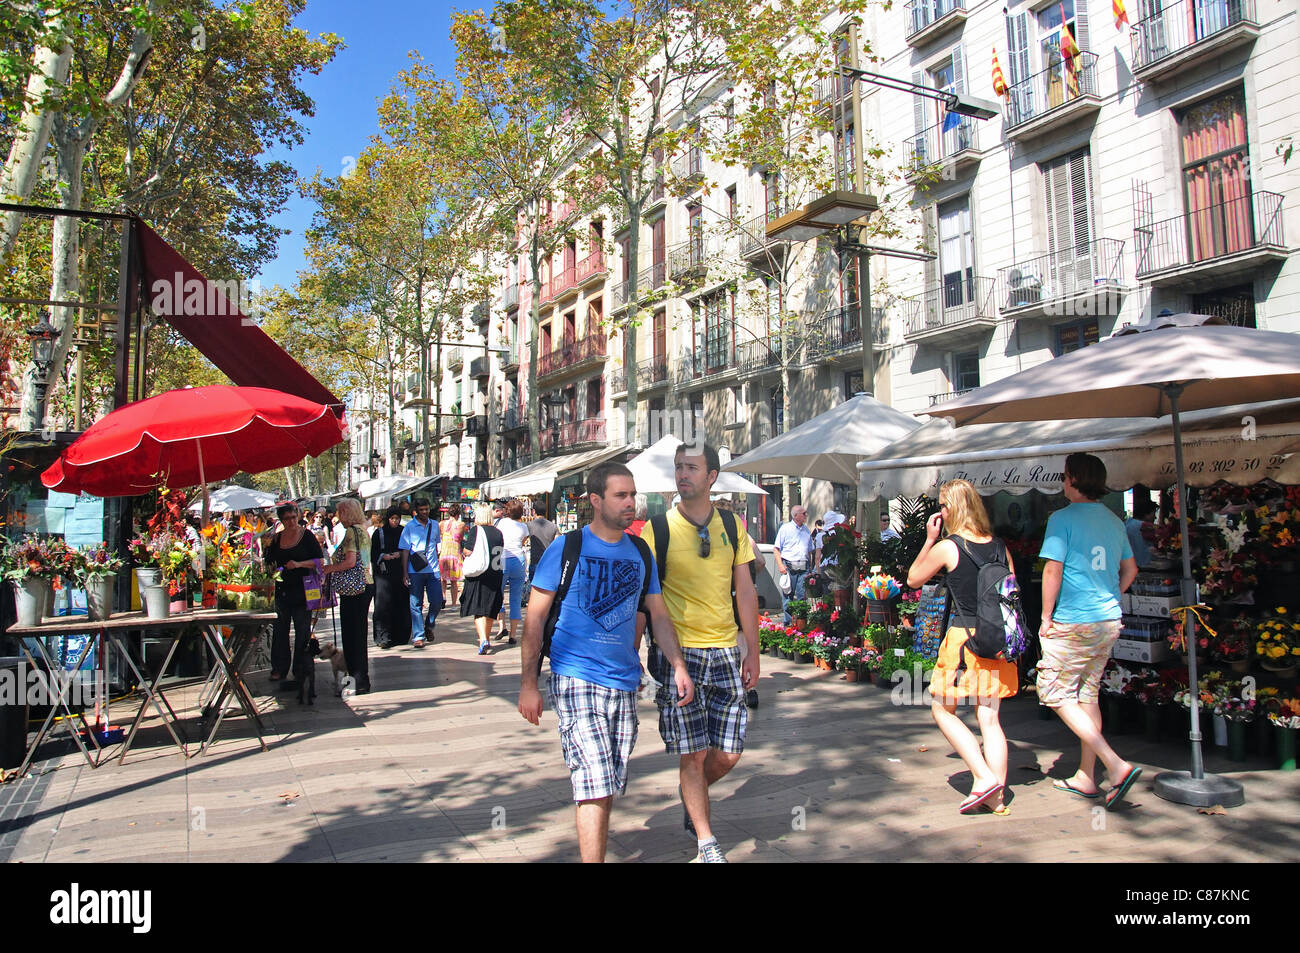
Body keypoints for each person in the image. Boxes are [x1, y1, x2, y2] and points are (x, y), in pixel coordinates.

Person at [518, 462, 695, 863]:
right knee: (595, 780)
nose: (631, 502)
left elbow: (657, 615)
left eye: (633, 494)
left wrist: (678, 665)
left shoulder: (640, 552)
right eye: (621, 495)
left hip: (623, 682)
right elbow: (535, 618)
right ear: (596, 500)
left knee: (607, 780)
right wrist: (529, 683)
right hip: (575, 677)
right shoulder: (567, 548)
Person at [641, 442, 759, 864]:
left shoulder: (732, 524)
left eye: (692, 467)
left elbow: (744, 590)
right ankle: (707, 843)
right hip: (679, 656)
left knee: (728, 752)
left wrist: (754, 651)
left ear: (712, 477)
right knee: (693, 752)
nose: (682, 474)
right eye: (678, 468)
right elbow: (646, 598)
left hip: (727, 649)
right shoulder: (658, 529)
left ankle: (693, 795)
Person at [907, 479, 1018, 816]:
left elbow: (913, 578)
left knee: (942, 710)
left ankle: (983, 777)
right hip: (997, 640)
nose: (940, 511)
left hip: (963, 640)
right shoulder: (999, 546)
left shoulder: (949, 547)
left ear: (952, 508)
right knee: (990, 717)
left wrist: (929, 541)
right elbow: (1011, 592)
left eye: (943, 505)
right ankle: (997, 799)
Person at [1039, 453, 1141, 809]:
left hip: (1073, 621)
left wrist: (1045, 617)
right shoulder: (1115, 520)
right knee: (1087, 694)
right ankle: (1085, 775)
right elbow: (1130, 570)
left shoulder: (1061, 519)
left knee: (1054, 692)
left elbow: (1053, 571)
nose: (1062, 483)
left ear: (1074, 479)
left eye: (1065, 477)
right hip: (1107, 619)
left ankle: (1114, 765)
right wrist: (1112, 595)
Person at [263, 502, 324, 687]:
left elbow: (319, 561)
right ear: (281, 520)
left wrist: (298, 564)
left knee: (302, 631)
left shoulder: (307, 536)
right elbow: (269, 563)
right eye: (286, 518)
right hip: (282, 591)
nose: (290, 521)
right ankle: (279, 668)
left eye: (293, 517)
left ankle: (301, 669)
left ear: (297, 516)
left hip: (303, 590)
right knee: (280, 631)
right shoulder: (276, 539)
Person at [320, 498, 373, 694]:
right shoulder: (363, 530)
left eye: (340, 512)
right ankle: (360, 679)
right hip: (365, 584)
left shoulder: (352, 532)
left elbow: (350, 561)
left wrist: (330, 568)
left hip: (355, 588)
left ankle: (357, 680)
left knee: (352, 636)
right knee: (357, 634)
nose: (337, 517)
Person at [461, 504, 505, 654]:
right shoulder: (498, 533)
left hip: (479, 573)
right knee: (490, 608)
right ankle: (486, 638)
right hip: (496, 573)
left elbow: (468, 550)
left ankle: (483, 640)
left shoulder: (476, 530)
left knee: (478, 607)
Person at [399, 497, 443, 648]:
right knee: (415, 604)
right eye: (422, 510)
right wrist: (405, 572)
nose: (425, 512)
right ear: (415, 511)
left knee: (437, 601)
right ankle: (418, 636)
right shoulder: (409, 527)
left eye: (427, 509)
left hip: (433, 570)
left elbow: (437, 546)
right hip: (415, 571)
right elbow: (405, 551)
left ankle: (429, 625)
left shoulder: (435, 525)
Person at [371, 506, 411, 649]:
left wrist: (400, 554)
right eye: (392, 518)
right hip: (383, 574)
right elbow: (373, 553)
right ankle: (383, 637)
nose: (395, 521)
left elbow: (408, 549)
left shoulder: (403, 531)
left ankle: (401, 636)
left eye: (397, 518)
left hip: (400, 572)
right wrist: (384, 556)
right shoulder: (379, 533)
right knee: (383, 605)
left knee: (400, 603)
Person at [495, 500, 531, 643]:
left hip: (502, 559)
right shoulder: (524, 527)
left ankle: (502, 626)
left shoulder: (502, 523)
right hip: (518, 561)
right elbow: (523, 541)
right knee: (515, 598)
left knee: (498, 594)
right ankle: (513, 634)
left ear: (507, 511)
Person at [772, 505, 813, 624]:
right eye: (803, 513)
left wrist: (810, 567)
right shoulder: (785, 529)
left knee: (802, 596)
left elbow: (810, 550)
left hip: (804, 567)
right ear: (795, 516)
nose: (806, 515)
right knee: (788, 596)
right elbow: (776, 548)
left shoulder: (806, 530)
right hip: (789, 566)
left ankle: (801, 623)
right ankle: (788, 623)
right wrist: (780, 565)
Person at [439, 505, 466, 608]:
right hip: (454, 553)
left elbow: (440, 536)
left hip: (444, 552)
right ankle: (454, 604)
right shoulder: (461, 524)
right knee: (454, 580)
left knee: (443, 579)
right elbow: (461, 537)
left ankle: (443, 597)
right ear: (458, 514)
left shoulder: (441, 524)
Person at [1126, 496, 1158, 569]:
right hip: (1143, 566)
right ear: (1146, 514)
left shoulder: (1127, 524)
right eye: (1153, 514)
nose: (1155, 517)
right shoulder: (1145, 526)